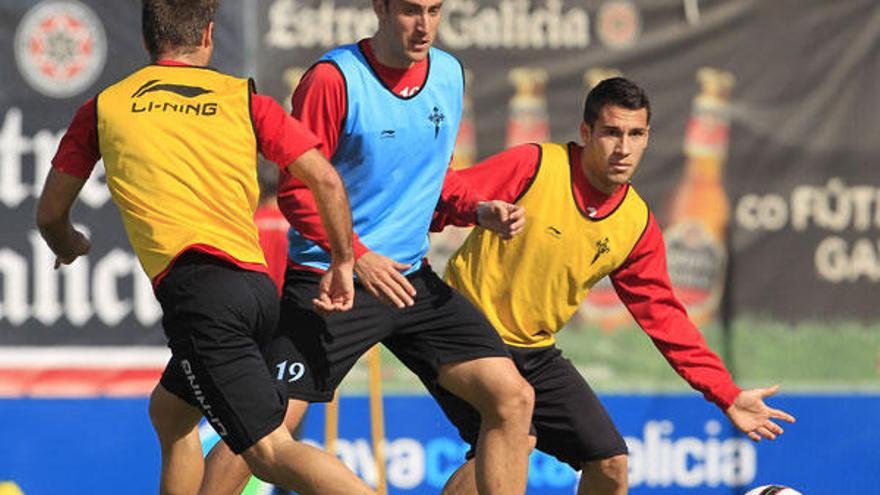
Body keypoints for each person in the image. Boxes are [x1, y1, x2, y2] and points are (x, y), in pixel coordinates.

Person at [35, 1, 376, 494]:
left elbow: (50, 214)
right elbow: (325, 179)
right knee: (171, 415)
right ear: (209, 35)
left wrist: (69, 244)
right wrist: (344, 260)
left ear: (149, 38)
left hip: (201, 297)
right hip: (257, 292)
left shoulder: (107, 105)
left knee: (269, 452)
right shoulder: (243, 97)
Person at [200, 1, 535, 494]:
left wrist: (478, 210)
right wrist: (353, 256)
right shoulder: (333, 80)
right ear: (380, 7)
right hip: (333, 281)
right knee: (261, 428)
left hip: (409, 280)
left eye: (435, 10)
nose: (424, 26)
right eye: (410, 10)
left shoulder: (448, 73)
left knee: (514, 405)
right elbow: (298, 191)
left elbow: (430, 177)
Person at [430, 77, 797, 495]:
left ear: (647, 138)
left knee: (610, 464)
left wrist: (726, 394)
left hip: (532, 348)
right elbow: (445, 198)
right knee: (515, 434)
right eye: (611, 132)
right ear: (586, 133)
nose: (623, 148)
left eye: (635, 134)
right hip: (462, 331)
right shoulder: (535, 165)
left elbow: (665, 318)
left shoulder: (634, 223)